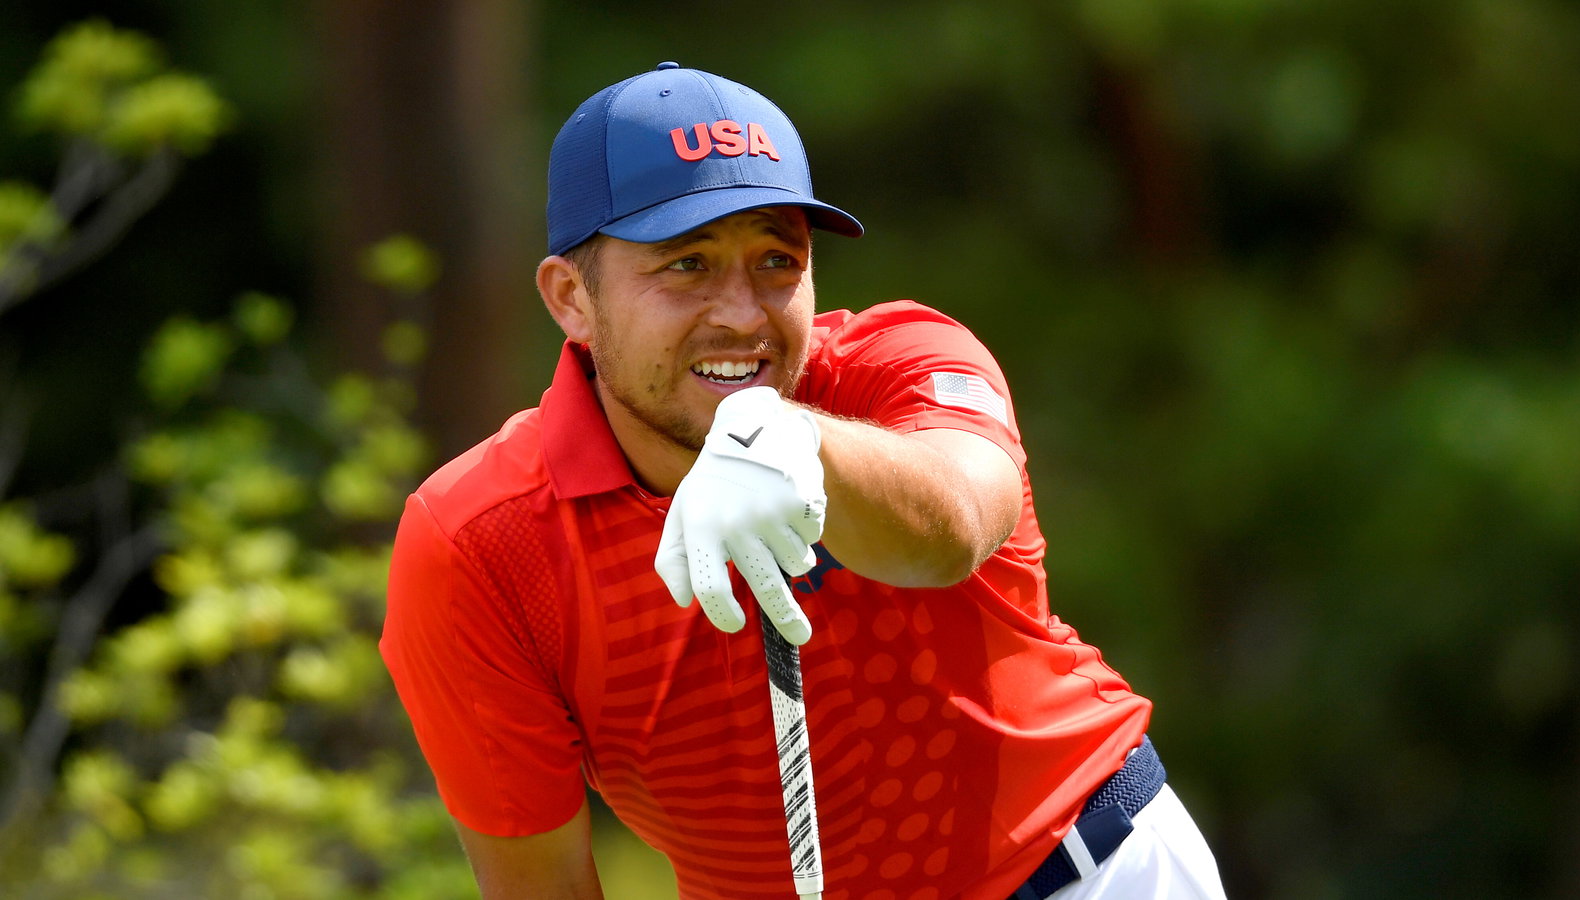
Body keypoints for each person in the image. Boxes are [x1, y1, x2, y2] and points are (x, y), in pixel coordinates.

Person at [380, 62, 1227, 900]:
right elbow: (542, 884)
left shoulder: (899, 364)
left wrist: (802, 445)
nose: (743, 313)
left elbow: (959, 524)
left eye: (777, 260)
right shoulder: (479, 543)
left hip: (1098, 871)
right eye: (687, 264)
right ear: (571, 297)